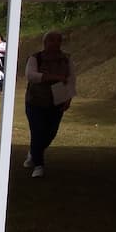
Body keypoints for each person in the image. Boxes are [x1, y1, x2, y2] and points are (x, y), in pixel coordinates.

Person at [24, 31, 75, 178]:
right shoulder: (35, 58)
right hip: (36, 100)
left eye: (58, 40)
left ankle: (33, 152)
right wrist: (53, 77)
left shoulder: (66, 59)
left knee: (51, 132)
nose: (55, 43)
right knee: (38, 130)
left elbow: (71, 79)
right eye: (52, 40)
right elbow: (31, 76)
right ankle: (39, 165)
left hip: (57, 100)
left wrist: (69, 98)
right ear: (45, 42)